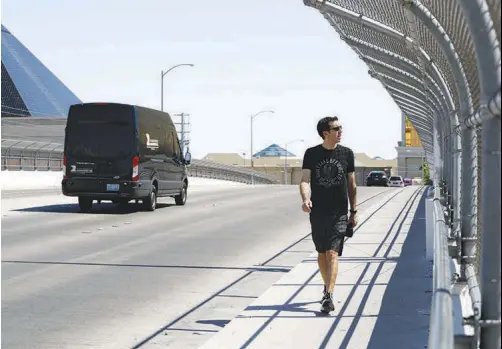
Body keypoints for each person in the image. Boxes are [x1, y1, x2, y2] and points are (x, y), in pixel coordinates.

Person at [299, 116, 358, 314]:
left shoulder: (347, 154)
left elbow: (352, 184)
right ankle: (327, 288)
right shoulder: (312, 153)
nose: (341, 131)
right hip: (318, 211)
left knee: (332, 253)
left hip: (339, 212)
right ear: (326, 132)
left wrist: (354, 211)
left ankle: (329, 295)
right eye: (337, 128)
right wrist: (306, 198)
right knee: (322, 252)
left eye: (341, 127)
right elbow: (305, 180)